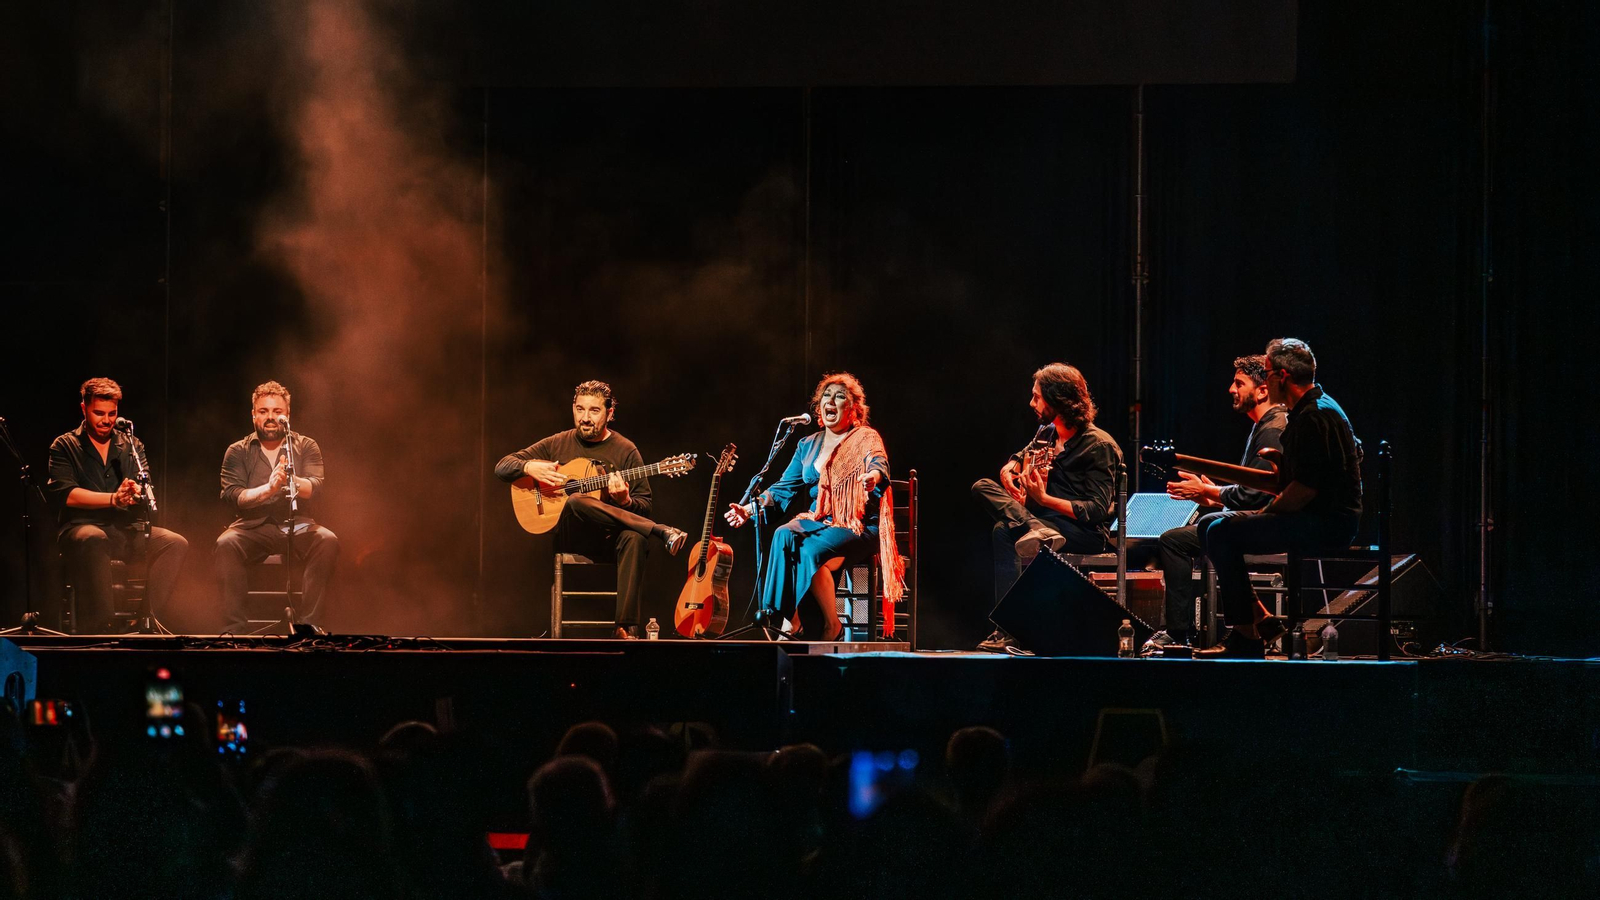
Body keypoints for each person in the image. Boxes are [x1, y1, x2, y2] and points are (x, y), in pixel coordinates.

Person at [1198, 338, 1363, 659]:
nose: (1265, 378)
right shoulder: (1317, 406)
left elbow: (1304, 490)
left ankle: (1246, 638)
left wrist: (1267, 512)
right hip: (1317, 515)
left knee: (1219, 530)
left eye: (1268, 372)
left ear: (1281, 377)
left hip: (1326, 523)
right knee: (1210, 526)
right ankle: (1256, 625)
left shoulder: (1312, 417)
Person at [495, 380, 687, 639]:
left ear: (609, 413)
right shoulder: (558, 443)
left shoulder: (626, 450)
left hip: (609, 538)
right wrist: (529, 468)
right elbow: (502, 466)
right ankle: (661, 532)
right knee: (575, 501)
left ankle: (625, 628)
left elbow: (644, 507)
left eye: (594, 411)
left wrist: (625, 502)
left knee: (636, 537)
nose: (585, 418)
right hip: (572, 536)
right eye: (580, 409)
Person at [723, 372, 905, 641]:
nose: (831, 401)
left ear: (854, 408)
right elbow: (783, 488)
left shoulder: (865, 437)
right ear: (819, 408)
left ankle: (825, 625)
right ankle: (788, 620)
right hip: (819, 522)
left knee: (808, 549)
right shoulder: (807, 445)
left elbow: (879, 463)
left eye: (840, 396)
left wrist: (873, 477)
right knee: (784, 533)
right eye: (826, 397)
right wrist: (750, 509)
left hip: (857, 524)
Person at [971, 364, 1121, 652]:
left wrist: (1044, 499)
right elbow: (1023, 452)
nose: (1031, 403)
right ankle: (1033, 528)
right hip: (1046, 523)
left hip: (1083, 532)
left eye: (1037, 397)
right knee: (981, 487)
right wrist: (1010, 466)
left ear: (1057, 399)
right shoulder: (1048, 433)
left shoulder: (1099, 445)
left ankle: (1011, 627)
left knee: (1004, 530)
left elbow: (1097, 510)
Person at [1146, 355, 1287, 650]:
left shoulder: (1273, 428)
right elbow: (1252, 491)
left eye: (1239, 383)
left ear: (1262, 390)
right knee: (1202, 531)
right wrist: (1210, 494)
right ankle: (1257, 621)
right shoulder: (1262, 425)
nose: (1230, 389)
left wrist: (1210, 493)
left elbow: (1255, 496)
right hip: (1261, 515)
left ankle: (1182, 633)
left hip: (1277, 522)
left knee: (1181, 539)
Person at [46, 378, 189, 632]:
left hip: (123, 529)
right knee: (93, 537)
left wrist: (134, 493)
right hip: (81, 530)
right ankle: (101, 627)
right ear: (84, 409)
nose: (106, 420)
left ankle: (145, 622)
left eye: (112, 414)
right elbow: (66, 495)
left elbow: (143, 488)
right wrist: (113, 498)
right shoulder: (64, 445)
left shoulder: (132, 445)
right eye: (98, 413)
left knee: (175, 543)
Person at [216, 381, 340, 632]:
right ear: (253, 415)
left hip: (298, 526)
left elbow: (316, 487)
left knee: (328, 540)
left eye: (277, 412)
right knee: (225, 544)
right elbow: (233, 495)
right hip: (252, 528)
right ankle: (235, 631)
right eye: (263, 411)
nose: (270, 417)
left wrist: (292, 481)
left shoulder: (306, 446)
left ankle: (310, 627)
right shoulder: (237, 451)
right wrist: (269, 489)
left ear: (288, 415)